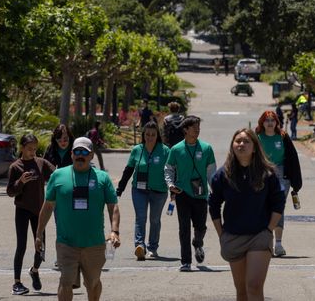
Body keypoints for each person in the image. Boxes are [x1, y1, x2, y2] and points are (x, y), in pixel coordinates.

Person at [35, 137, 120, 301]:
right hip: (66, 243)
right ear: (72, 154)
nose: (80, 155)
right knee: (66, 281)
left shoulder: (102, 178)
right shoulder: (58, 176)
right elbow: (47, 207)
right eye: (77, 152)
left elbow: (113, 206)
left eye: (84, 152)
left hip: (94, 243)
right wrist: (39, 233)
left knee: (93, 283)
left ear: (91, 155)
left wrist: (114, 231)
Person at [209, 129, 285, 301]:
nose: (241, 144)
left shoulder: (268, 173)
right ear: (232, 146)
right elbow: (213, 205)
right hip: (233, 236)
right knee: (242, 290)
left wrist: (269, 229)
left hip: (259, 235)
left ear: (255, 147)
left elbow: (278, 203)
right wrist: (222, 234)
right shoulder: (222, 175)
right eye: (238, 141)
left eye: (246, 141)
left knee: (254, 286)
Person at [164, 115, 217, 271]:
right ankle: (185, 261)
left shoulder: (207, 149)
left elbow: (211, 172)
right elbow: (169, 168)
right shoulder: (176, 149)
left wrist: (215, 189)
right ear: (185, 130)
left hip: (201, 193)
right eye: (194, 128)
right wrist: (170, 184)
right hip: (182, 192)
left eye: (199, 128)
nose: (197, 131)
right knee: (184, 228)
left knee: (201, 226)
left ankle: (198, 243)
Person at [7, 134, 56, 295]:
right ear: (22, 148)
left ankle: (34, 270)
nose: (32, 152)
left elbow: (56, 174)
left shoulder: (41, 163)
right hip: (22, 209)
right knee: (21, 245)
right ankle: (17, 283)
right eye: (29, 149)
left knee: (41, 246)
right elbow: (10, 192)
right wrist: (20, 181)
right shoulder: (16, 167)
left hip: (39, 210)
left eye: (34, 149)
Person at [116, 121, 170, 260]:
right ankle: (139, 246)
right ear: (143, 135)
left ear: (157, 135)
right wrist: (120, 189)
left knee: (155, 219)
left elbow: (172, 171)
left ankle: (153, 247)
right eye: (147, 134)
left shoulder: (165, 151)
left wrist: (174, 188)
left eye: (153, 134)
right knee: (140, 218)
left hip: (159, 191)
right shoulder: (137, 150)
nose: (150, 137)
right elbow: (128, 171)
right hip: (139, 190)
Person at [255, 110, 302, 257]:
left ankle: (278, 244)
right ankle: (266, 243)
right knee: (263, 207)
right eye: (267, 120)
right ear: (262, 122)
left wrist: (296, 182)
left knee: (278, 208)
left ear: (276, 122)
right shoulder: (256, 137)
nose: (270, 123)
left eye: (272, 120)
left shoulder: (283, 137)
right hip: (262, 173)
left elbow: (293, 158)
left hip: (282, 174)